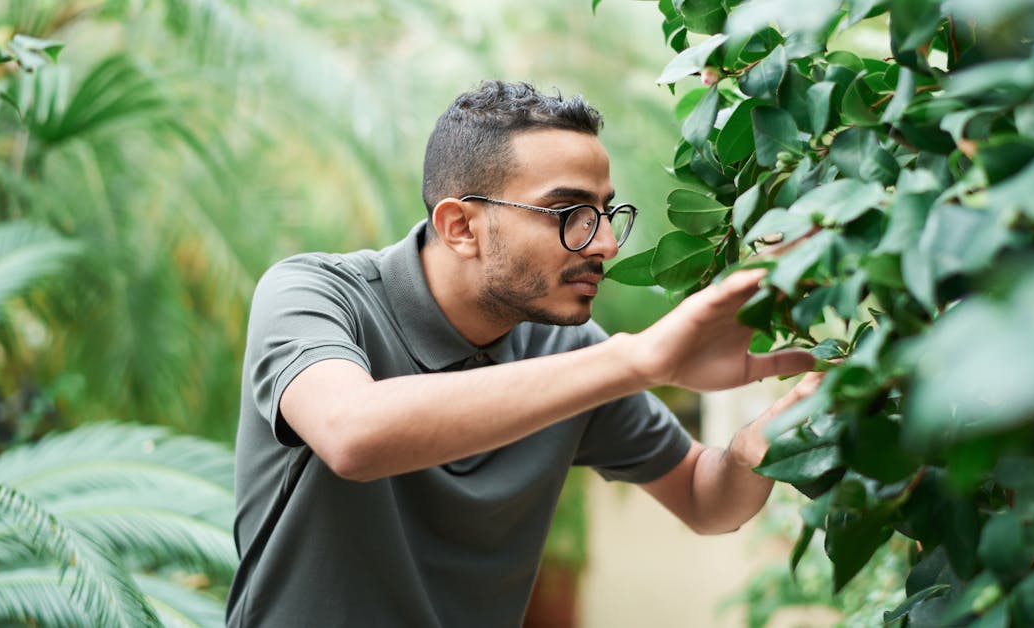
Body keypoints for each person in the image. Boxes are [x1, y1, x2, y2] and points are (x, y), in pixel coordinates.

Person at [226, 80, 821, 627]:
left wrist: (759, 445)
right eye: (570, 214)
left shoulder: (566, 350)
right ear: (460, 227)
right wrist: (638, 360)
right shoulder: (316, 295)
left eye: (607, 213)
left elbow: (703, 497)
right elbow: (351, 434)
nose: (607, 245)